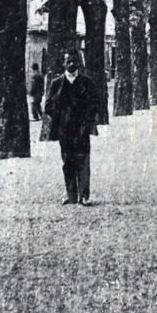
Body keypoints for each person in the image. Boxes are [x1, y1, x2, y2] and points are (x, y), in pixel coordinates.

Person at [44, 52, 99, 206]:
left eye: (75, 61)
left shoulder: (87, 83)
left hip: (81, 129)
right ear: (63, 63)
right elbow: (48, 105)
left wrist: (86, 120)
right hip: (64, 130)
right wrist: (61, 118)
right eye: (68, 61)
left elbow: (95, 103)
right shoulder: (56, 83)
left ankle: (84, 195)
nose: (71, 64)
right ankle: (71, 195)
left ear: (79, 63)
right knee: (68, 161)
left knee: (83, 160)